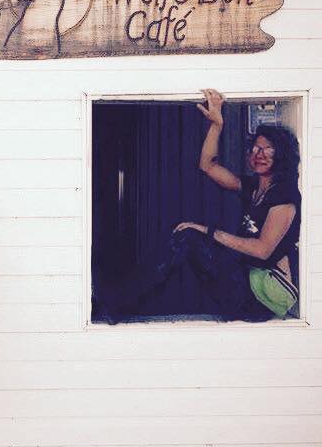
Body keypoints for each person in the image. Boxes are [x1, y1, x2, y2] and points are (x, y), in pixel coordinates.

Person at [105, 89, 301, 322]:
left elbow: (262, 250)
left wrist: (207, 231)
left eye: (268, 148)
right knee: (188, 238)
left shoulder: (283, 196)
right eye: (256, 148)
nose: (259, 154)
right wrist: (216, 125)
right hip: (245, 285)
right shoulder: (252, 188)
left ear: (282, 155)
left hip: (262, 298)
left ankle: (119, 302)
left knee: (190, 237)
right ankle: (120, 301)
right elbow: (208, 166)